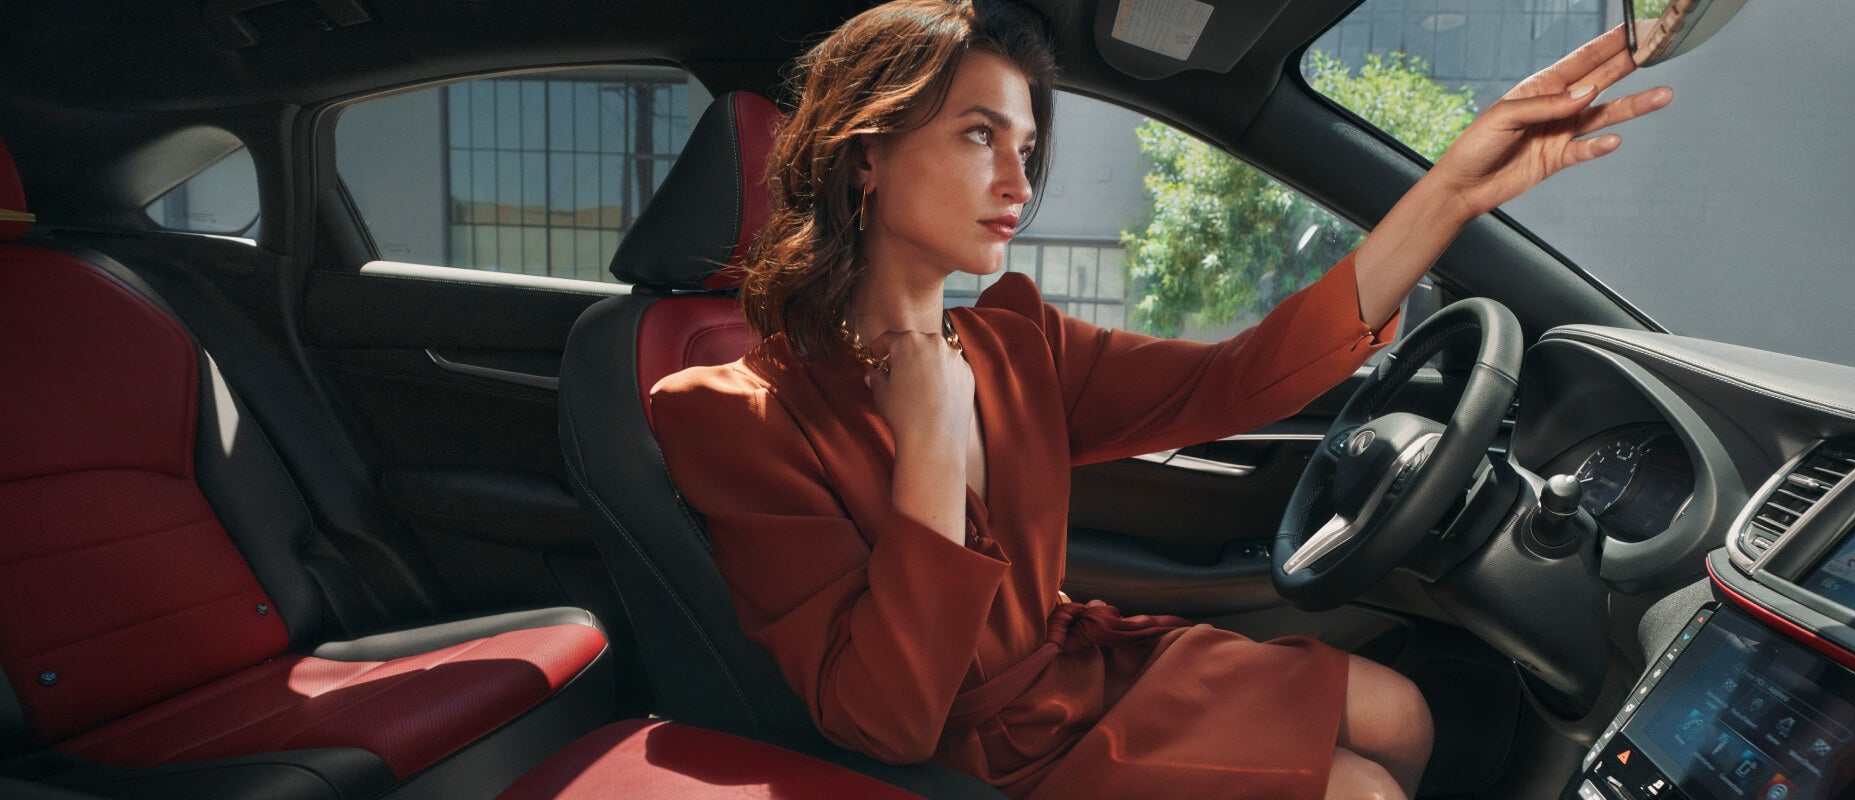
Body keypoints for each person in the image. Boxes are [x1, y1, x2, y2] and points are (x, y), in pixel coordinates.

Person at [651, 1, 1673, 798]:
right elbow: (891, 718)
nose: (1018, 175)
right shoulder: (729, 410)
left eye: (1025, 143)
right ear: (866, 153)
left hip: (1089, 667)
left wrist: (1452, 188)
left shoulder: (1017, 342)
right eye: (977, 135)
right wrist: (925, 448)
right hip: (981, 751)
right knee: (1358, 784)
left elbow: (1237, 380)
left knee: (1405, 712)